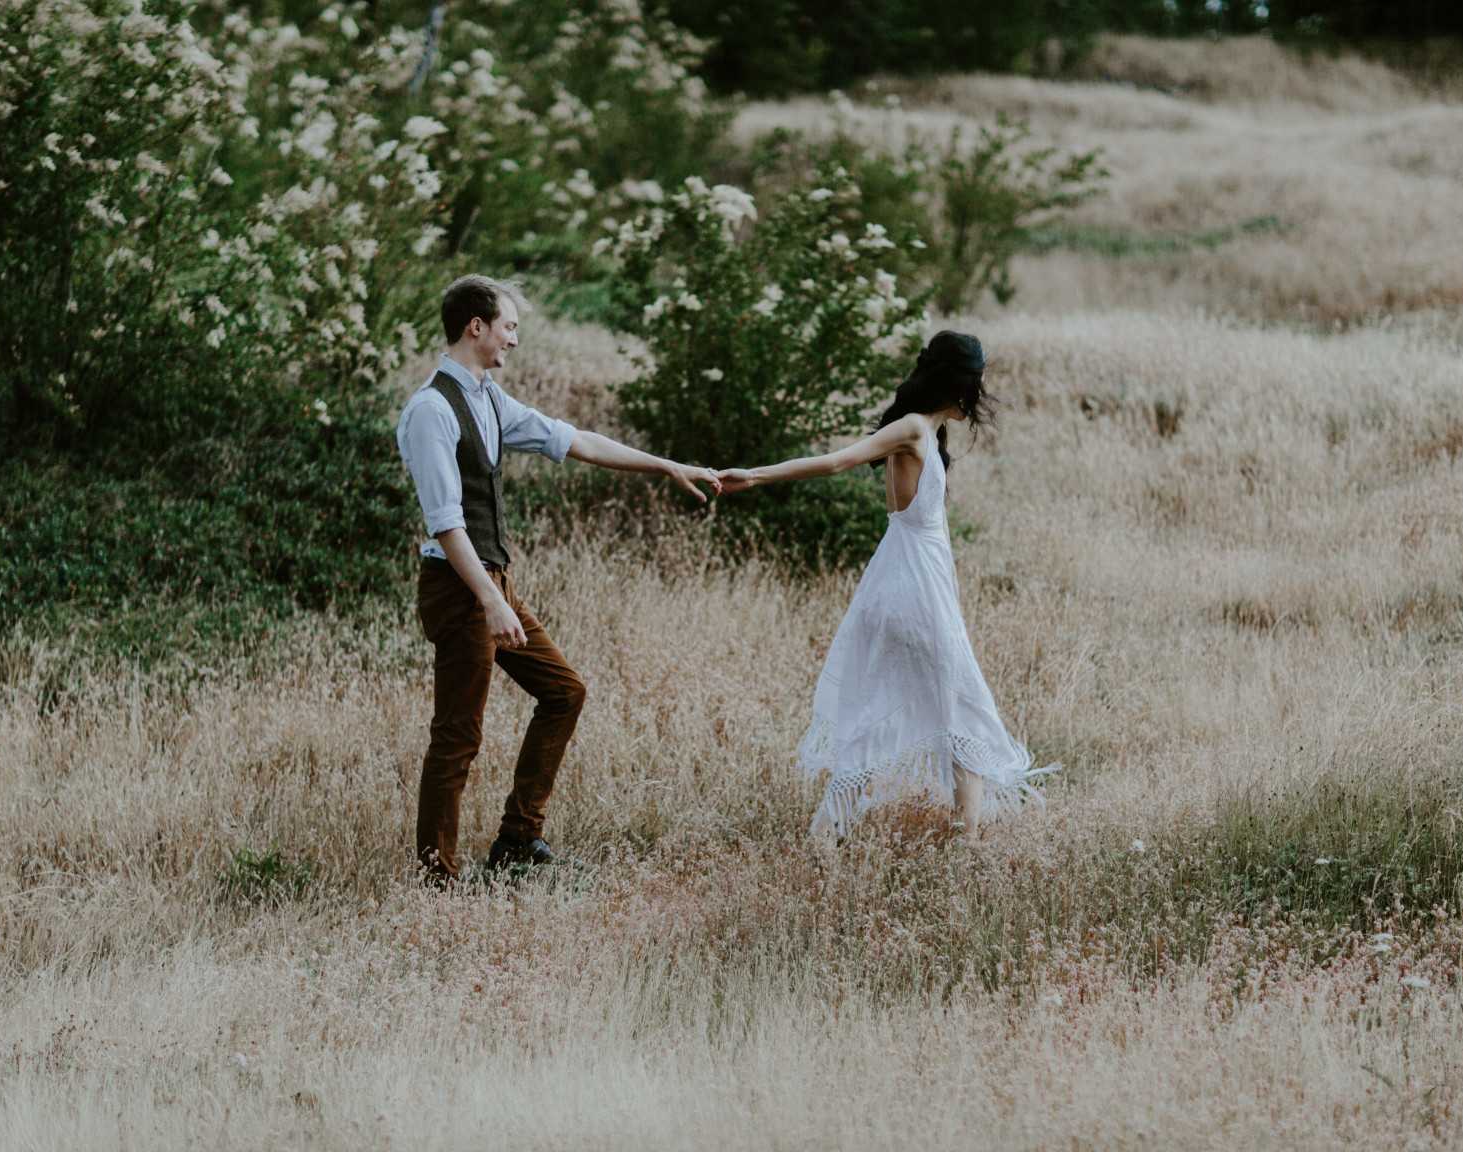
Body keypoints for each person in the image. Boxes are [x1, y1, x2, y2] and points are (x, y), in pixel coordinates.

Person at [397, 274, 721, 883]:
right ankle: (435, 880)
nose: (514, 341)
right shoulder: (430, 409)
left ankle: (518, 842)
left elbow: (573, 440)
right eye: (509, 326)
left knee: (564, 691)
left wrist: (665, 464)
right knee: (458, 737)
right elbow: (445, 522)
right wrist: (491, 600)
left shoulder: (488, 398)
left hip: (492, 583)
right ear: (477, 327)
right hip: (460, 585)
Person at [719, 331, 1055, 839]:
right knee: (945, 714)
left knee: (955, 714)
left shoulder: (926, 434)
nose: (980, 396)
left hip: (913, 590)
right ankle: (834, 833)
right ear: (958, 384)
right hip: (910, 595)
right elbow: (835, 461)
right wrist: (757, 476)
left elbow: (935, 541)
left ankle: (951, 850)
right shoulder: (913, 429)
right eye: (976, 385)